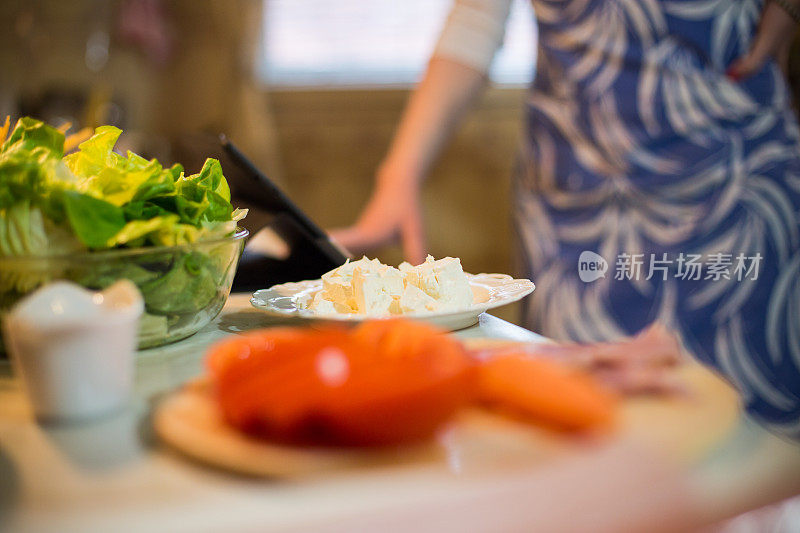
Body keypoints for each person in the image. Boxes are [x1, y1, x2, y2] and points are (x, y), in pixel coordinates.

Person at [331, 0, 800, 434]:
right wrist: (400, 177)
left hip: (739, 197)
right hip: (576, 216)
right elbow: (477, 17)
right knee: (580, 436)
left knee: (743, 454)